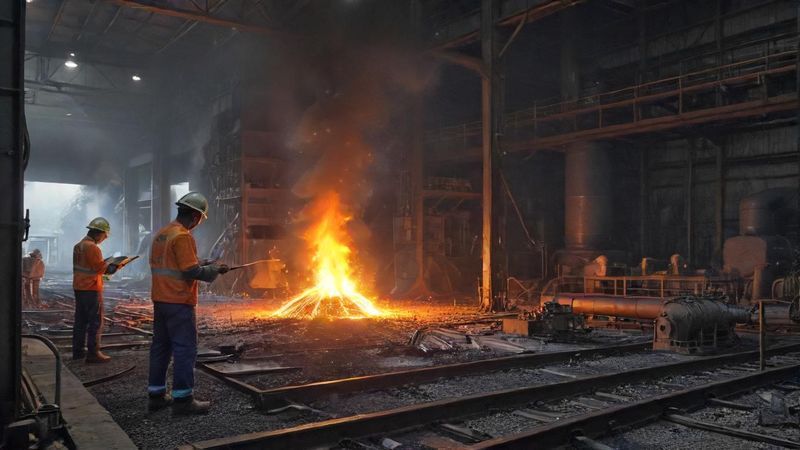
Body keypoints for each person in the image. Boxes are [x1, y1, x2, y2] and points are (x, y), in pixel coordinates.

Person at [147, 192, 229, 415]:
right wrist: (213, 270)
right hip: (178, 301)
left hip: (161, 300)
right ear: (194, 215)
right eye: (200, 218)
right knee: (185, 349)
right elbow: (190, 271)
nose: (199, 223)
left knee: (161, 347)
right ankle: (183, 401)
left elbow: (174, 264)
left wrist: (204, 262)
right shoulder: (183, 236)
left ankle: (156, 396)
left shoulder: (163, 234)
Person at [73, 217, 116, 363]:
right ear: (99, 233)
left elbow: (88, 267)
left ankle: (78, 352)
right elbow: (100, 268)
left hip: (79, 287)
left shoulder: (78, 246)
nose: (104, 239)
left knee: (80, 321)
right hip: (91, 288)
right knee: (96, 321)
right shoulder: (93, 247)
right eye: (104, 236)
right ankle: (93, 353)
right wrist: (113, 265)